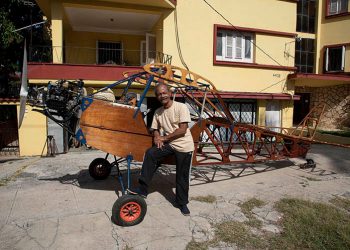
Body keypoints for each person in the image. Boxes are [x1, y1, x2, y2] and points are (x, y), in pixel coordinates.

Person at [129, 83, 194, 216]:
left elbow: (183, 129)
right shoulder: (158, 112)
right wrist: (157, 136)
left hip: (184, 145)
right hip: (170, 143)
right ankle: (143, 189)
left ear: (170, 93)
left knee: (182, 176)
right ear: (157, 96)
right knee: (151, 153)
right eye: (159, 94)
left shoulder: (181, 107)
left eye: (164, 93)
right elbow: (155, 128)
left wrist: (163, 139)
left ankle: (182, 203)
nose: (162, 95)